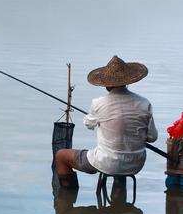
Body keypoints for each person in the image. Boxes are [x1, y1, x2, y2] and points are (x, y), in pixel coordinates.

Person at [55, 55, 158, 187]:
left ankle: (68, 201)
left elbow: (88, 124)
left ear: (106, 85)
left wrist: (93, 117)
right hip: (135, 163)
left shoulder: (98, 103)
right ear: (127, 82)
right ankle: (118, 201)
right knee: (118, 163)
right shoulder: (145, 104)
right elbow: (152, 137)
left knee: (61, 156)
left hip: (106, 162)